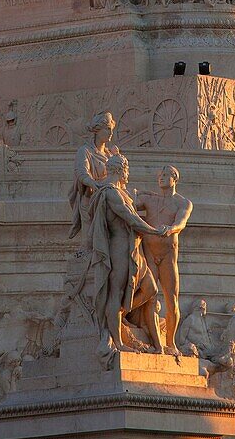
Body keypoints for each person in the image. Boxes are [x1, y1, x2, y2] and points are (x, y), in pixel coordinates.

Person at [89, 154, 163, 364]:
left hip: (134, 249)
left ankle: (120, 313)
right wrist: (155, 232)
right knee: (116, 292)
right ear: (120, 170)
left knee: (151, 289)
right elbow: (129, 218)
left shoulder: (122, 193)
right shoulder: (111, 193)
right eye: (127, 170)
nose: (128, 174)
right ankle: (117, 340)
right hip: (119, 248)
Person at [136, 165, 193, 355]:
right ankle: (158, 345)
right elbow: (129, 204)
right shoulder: (150, 200)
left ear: (175, 178)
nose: (161, 178)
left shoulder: (183, 202)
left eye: (166, 175)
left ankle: (171, 343)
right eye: (160, 175)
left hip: (168, 256)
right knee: (150, 299)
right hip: (150, 254)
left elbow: (181, 222)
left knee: (171, 300)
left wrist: (171, 228)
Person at [68, 111, 120, 245]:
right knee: (89, 243)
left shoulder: (110, 154)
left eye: (111, 129)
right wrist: (93, 184)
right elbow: (81, 172)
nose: (110, 133)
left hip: (108, 203)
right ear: (97, 130)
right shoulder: (85, 151)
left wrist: (117, 158)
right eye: (107, 129)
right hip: (90, 202)